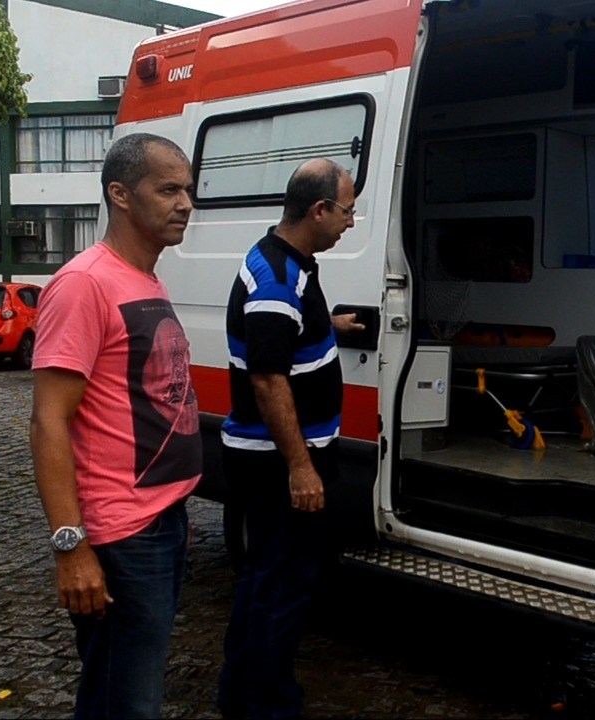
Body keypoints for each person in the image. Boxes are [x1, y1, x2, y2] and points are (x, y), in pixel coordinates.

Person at [30, 132, 201, 719]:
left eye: (189, 190)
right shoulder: (85, 283)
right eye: (169, 189)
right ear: (121, 195)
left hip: (163, 519)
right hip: (123, 534)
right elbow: (49, 421)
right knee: (125, 702)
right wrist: (71, 547)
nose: (185, 203)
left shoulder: (145, 278)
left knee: (127, 691)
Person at [217, 158, 362, 720]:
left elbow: (285, 338)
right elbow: (267, 377)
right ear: (319, 209)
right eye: (347, 210)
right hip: (276, 464)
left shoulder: (289, 264)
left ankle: (240, 696)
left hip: (267, 459)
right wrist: (301, 468)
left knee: (263, 579)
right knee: (283, 588)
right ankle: (269, 706)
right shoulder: (278, 280)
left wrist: (332, 327)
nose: (351, 221)